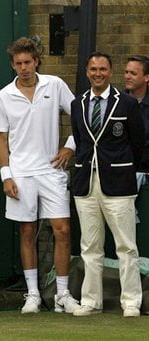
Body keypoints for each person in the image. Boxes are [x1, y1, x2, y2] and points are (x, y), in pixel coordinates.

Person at [0, 37, 81, 314]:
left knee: (63, 230)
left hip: (51, 171)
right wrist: (6, 175)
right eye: (18, 64)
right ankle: (32, 294)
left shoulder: (54, 85)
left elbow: (80, 117)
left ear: (36, 61)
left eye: (27, 62)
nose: (23, 68)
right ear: (13, 65)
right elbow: (0, 138)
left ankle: (62, 295)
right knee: (27, 231)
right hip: (20, 173)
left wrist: (68, 148)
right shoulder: (4, 95)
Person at [70, 52, 145, 317]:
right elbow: (81, 141)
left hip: (119, 183)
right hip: (86, 183)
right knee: (89, 246)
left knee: (126, 245)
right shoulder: (77, 103)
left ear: (110, 71)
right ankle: (91, 301)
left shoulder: (125, 103)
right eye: (93, 69)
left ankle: (131, 302)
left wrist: (121, 167)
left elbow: (137, 142)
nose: (97, 73)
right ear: (87, 72)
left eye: (102, 69)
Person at [123, 55, 149, 215]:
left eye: (133, 73)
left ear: (146, 77)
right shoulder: (117, 102)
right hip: (121, 174)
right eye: (126, 72)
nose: (127, 76)